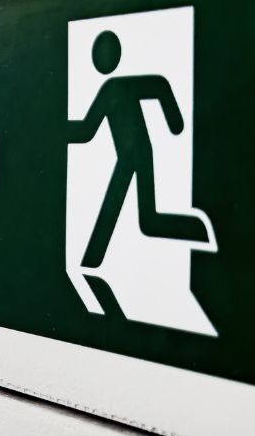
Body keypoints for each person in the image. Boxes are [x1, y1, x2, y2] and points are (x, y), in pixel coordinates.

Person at [68, 30, 209, 268]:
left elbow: (159, 86)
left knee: (143, 219)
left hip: (137, 154)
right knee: (148, 220)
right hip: (131, 155)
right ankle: (198, 231)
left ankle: (200, 233)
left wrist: (175, 122)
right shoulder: (111, 89)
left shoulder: (116, 87)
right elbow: (86, 130)